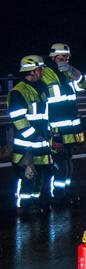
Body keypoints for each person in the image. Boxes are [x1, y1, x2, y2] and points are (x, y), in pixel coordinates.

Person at [42, 42, 86, 202]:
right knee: (59, 163)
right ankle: (57, 195)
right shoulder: (45, 73)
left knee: (68, 161)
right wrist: (50, 132)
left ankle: (65, 191)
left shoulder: (68, 72)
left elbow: (85, 85)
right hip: (55, 128)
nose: (66, 59)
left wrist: (74, 72)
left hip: (70, 128)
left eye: (68, 57)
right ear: (54, 57)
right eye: (63, 57)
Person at [9, 55, 54, 215]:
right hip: (26, 146)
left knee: (41, 177)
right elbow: (18, 118)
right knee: (26, 178)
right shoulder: (18, 92)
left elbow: (44, 115)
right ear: (32, 71)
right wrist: (33, 135)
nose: (43, 72)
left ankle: (37, 202)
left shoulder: (41, 88)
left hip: (41, 143)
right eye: (40, 69)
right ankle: (24, 207)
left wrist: (48, 134)